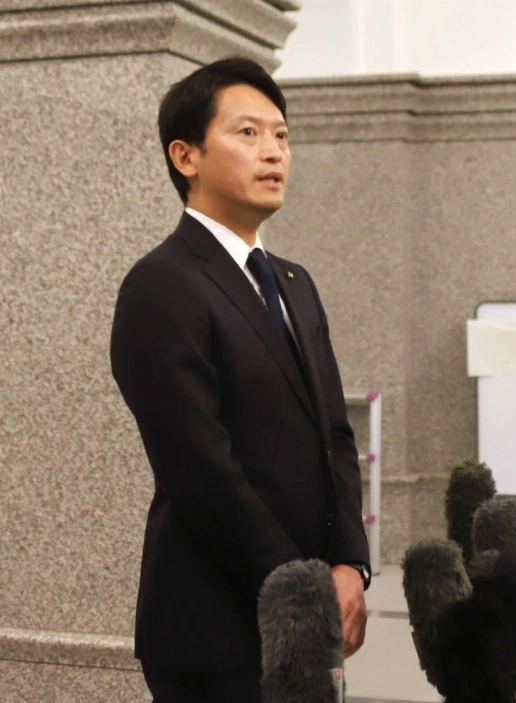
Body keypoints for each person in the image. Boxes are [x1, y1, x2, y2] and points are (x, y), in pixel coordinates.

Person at [110, 58, 370, 702]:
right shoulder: (162, 284)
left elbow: (335, 435)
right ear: (186, 155)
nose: (274, 152)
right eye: (248, 133)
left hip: (308, 615)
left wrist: (349, 564)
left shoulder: (293, 282)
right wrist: (302, 588)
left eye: (281, 135)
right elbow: (201, 469)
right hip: (214, 626)